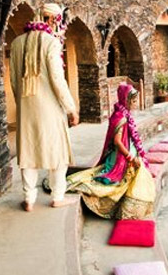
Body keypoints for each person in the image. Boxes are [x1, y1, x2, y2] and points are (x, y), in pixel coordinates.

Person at [9, 3, 78, 211]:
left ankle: (29, 199)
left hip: (26, 107)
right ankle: (58, 197)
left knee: (28, 152)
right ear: (52, 20)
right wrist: (70, 108)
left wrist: (22, 103)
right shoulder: (52, 43)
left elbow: (13, 79)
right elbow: (58, 79)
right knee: (57, 152)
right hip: (50, 108)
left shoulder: (16, 43)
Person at [67, 83, 156, 220]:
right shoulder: (121, 117)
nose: (135, 104)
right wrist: (131, 157)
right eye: (133, 101)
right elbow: (117, 141)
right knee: (128, 178)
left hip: (127, 152)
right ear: (125, 100)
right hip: (120, 157)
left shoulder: (123, 114)